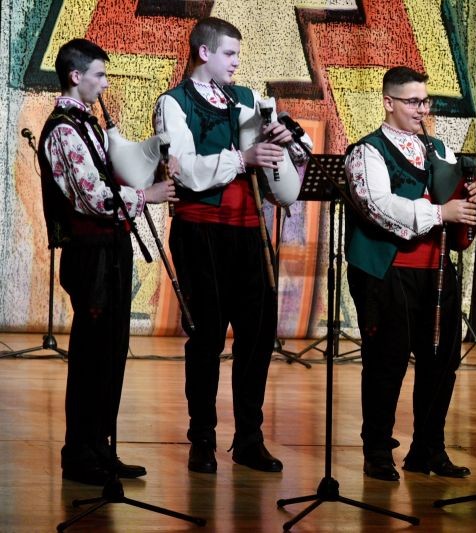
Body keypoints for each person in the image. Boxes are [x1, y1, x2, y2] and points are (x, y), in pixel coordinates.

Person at [153, 17, 309, 474]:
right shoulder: (174, 102)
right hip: (201, 232)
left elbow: (286, 176)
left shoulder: (249, 100)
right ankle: (202, 437)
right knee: (206, 337)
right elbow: (184, 169)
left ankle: (249, 438)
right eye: (229, 54)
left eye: (238, 54)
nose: (237, 63)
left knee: (257, 338)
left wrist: (283, 142)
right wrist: (243, 157)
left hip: (249, 233)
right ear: (204, 52)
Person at [344, 66, 476, 481]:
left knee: (441, 363)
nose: (421, 109)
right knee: (386, 363)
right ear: (388, 102)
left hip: (436, 271)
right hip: (387, 272)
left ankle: (428, 449)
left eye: (425, 101)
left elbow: (459, 210)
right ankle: (378, 450)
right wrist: (440, 212)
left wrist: (474, 197)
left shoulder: (439, 150)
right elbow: (378, 206)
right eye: (412, 101)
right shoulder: (368, 151)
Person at [39, 38, 177, 485]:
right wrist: (146, 195)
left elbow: (109, 177)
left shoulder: (89, 125)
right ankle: (79, 455)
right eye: (99, 74)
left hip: (110, 250)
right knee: (91, 356)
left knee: (112, 353)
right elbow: (93, 198)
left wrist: (151, 162)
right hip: (90, 255)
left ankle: (101, 447)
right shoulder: (64, 130)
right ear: (75, 76)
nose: (104, 83)